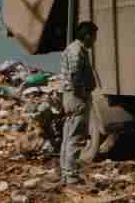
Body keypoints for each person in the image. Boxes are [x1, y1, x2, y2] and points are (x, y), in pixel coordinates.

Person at [59, 21, 98, 185]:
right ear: (87, 35)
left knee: (68, 136)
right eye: (94, 36)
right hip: (76, 98)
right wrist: (82, 95)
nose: (95, 40)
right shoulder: (77, 51)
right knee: (76, 137)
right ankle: (71, 176)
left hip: (70, 97)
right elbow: (75, 76)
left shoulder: (73, 49)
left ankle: (66, 173)